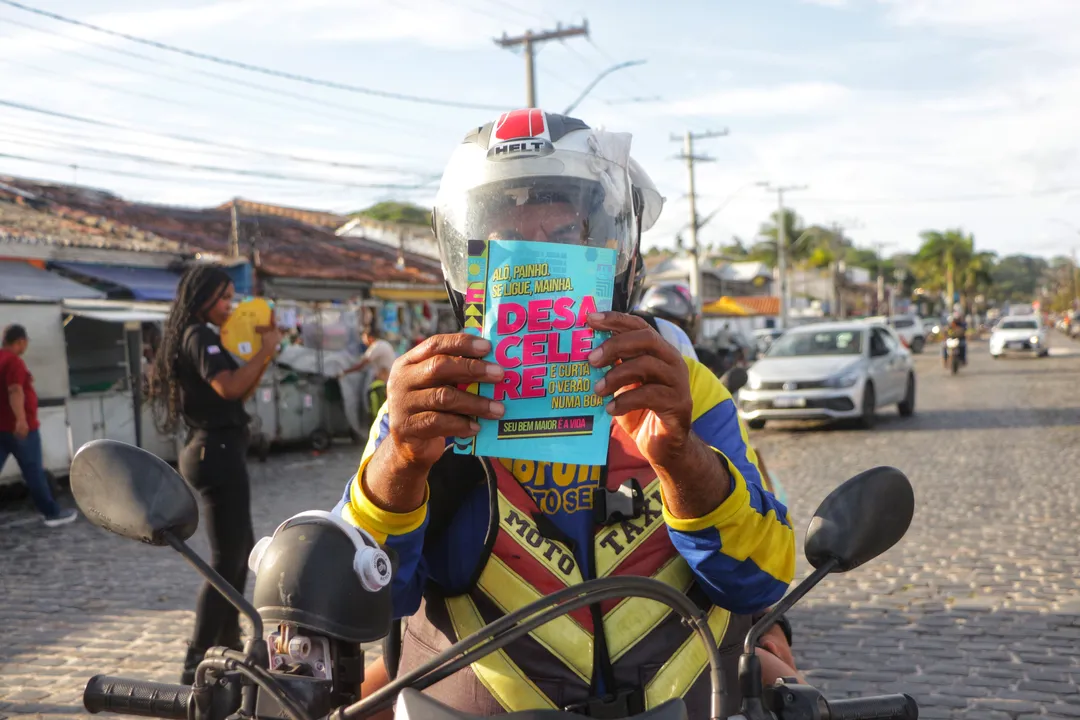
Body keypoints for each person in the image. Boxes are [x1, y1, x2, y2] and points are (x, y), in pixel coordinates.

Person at [336, 110, 796, 718]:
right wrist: (399, 461)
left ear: (618, 251)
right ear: (465, 260)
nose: (538, 266)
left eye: (564, 240)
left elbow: (760, 580)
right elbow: (363, 595)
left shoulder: (684, 386)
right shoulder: (433, 394)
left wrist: (683, 459)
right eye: (508, 246)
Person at [147, 265, 283, 685]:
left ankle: (227, 643)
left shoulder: (201, 334)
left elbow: (239, 387)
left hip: (218, 450)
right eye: (224, 297)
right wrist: (264, 351)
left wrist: (265, 351)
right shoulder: (198, 335)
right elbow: (227, 387)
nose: (230, 305)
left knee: (237, 552)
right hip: (215, 453)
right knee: (226, 562)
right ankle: (195, 657)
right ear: (203, 296)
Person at [0, 325, 78, 527]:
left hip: (1, 428)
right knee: (33, 471)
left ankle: (51, 511)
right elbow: (15, 390)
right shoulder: (14, 362)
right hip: (19, 430)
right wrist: (21, 419)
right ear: (20, 342)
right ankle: (52, 513)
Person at [340, 325, 397, 421]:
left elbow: (361, 364)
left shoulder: (376, 346)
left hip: (383, 385)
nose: (363, 340)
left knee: (378, 412)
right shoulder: (383, 344)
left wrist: (344, 372)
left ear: (369, 337)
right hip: (389, 383)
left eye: (364, 337)